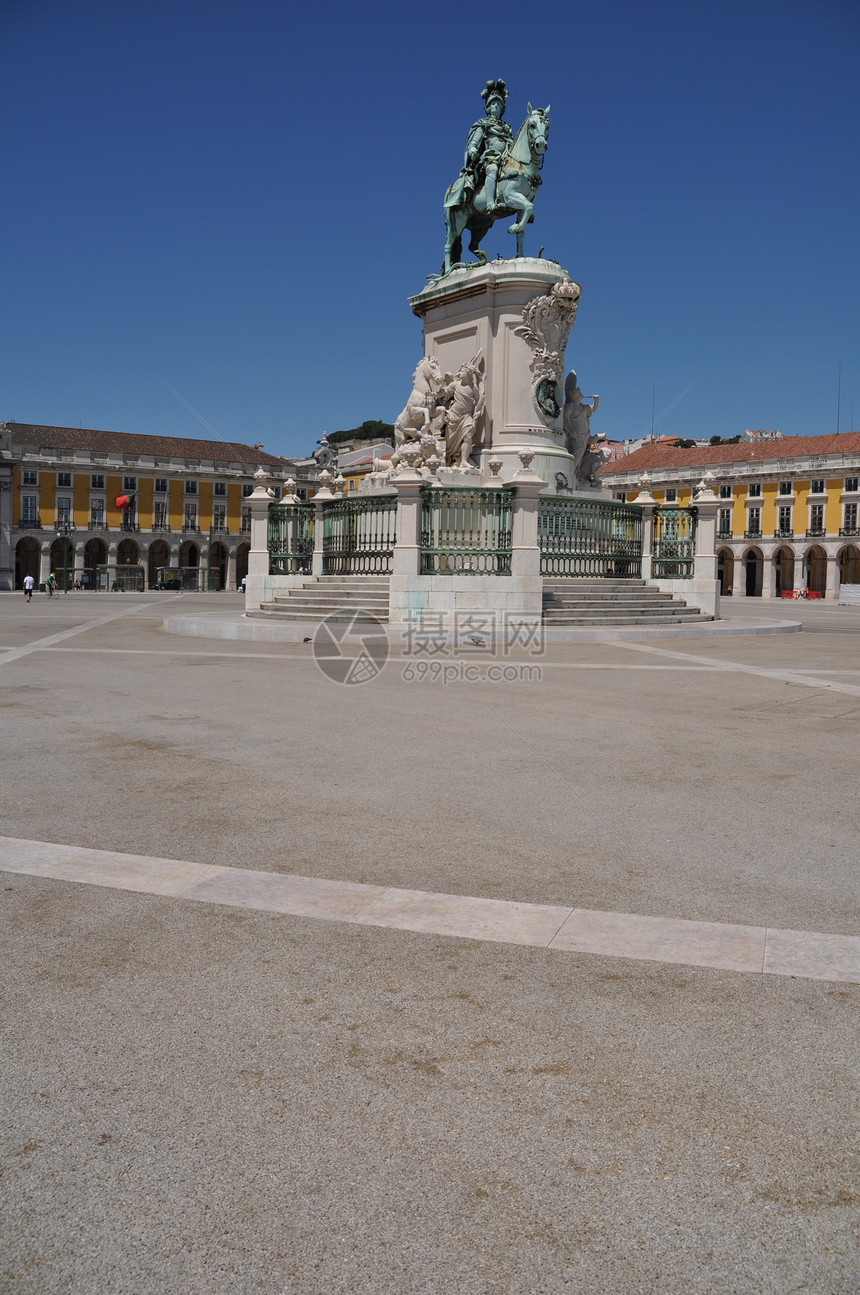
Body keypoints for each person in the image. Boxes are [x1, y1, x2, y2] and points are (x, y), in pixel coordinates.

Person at [462, 79, 513, 214]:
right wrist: (472, 148)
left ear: (502, 108)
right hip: (489, 158)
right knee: (493, 168)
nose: (496, 106)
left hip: (506, 158)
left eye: (498, 104)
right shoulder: (483, 124)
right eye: (493, 103)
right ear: (488, 108)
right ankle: (490, 203)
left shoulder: (507, 128)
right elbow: (474, 142)